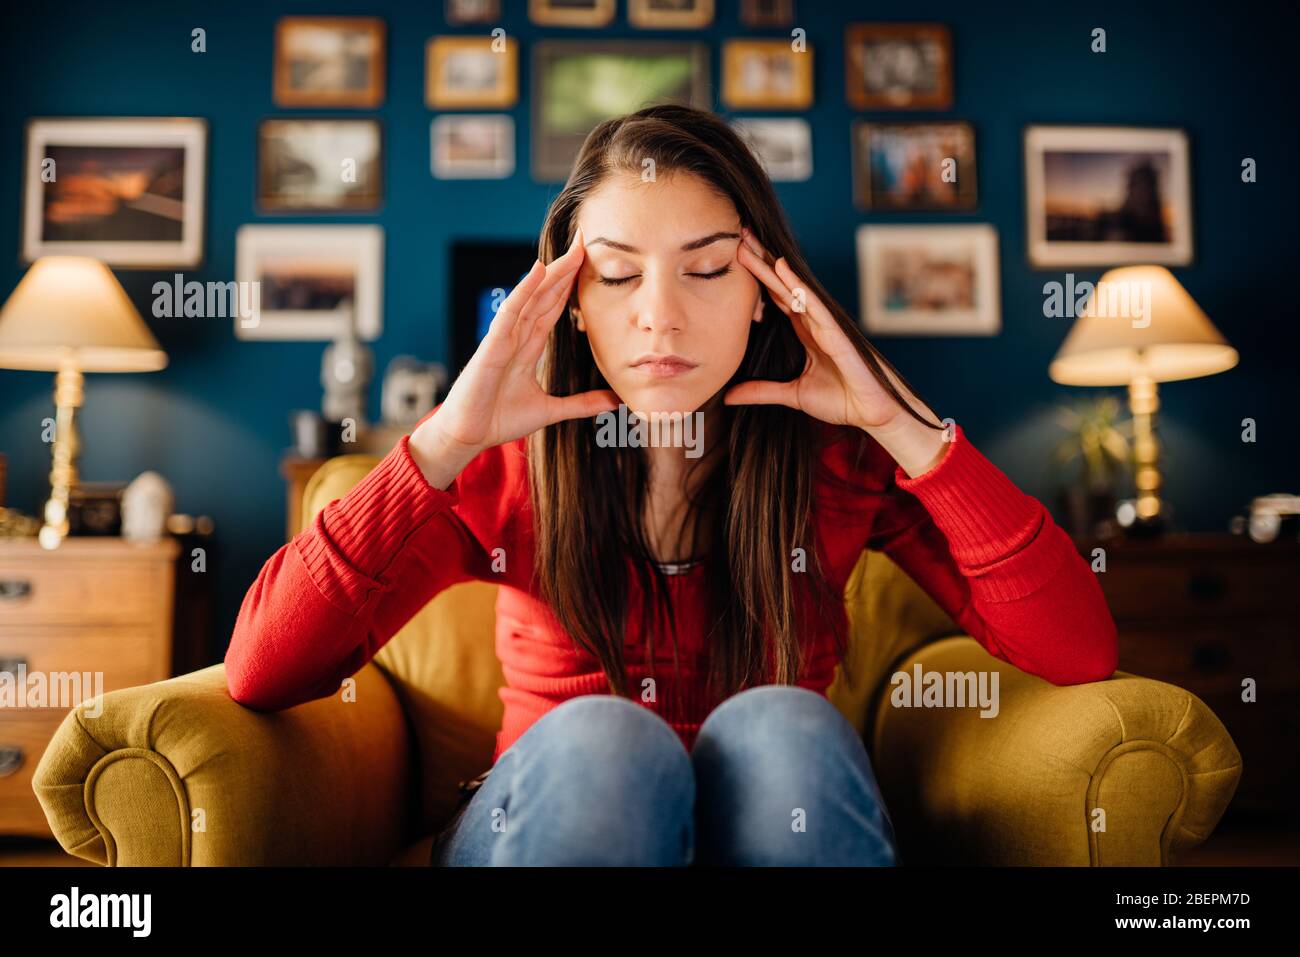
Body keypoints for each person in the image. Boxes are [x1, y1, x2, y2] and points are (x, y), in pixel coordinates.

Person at [224, 104, 1119, 867]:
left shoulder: (842, 463)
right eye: (616, 274)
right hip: (549, 818)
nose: (660, 312)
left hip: (774, 817)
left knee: (784, 727)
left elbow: (1076, 650)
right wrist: (445, 439)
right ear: (573, 299)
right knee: (607, 738)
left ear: (768, 289)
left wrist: (905, 429)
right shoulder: (500, 467)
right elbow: (263, 669)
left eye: (706, 268)